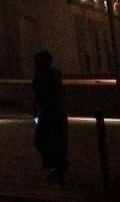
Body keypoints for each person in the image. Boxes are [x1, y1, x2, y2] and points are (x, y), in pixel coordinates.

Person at [32, 49, 69, 180]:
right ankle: (58, 166)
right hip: (54, 111)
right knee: (53, 140)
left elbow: (40, 94)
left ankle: (57, 167)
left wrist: (37, 110)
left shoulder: (44, 75)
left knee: (46, 140)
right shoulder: (54, 74)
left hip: (50, 112)